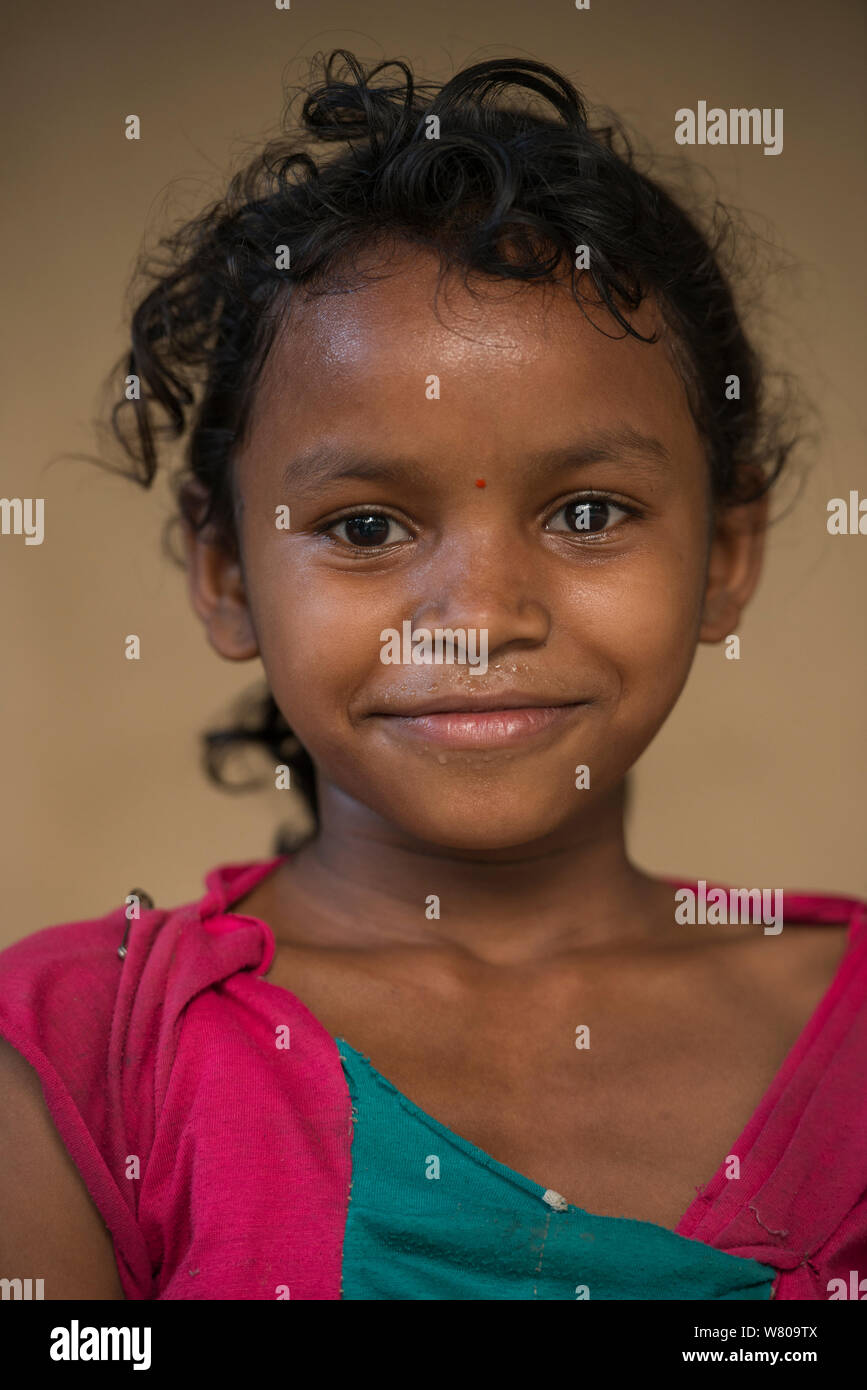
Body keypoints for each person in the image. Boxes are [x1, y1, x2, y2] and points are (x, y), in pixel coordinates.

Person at [1, 50, 864, 1301]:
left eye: (587, 512)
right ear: (226, 572)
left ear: (725, 554)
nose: (482, 618)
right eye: (364, 527)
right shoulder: (80, 1058)